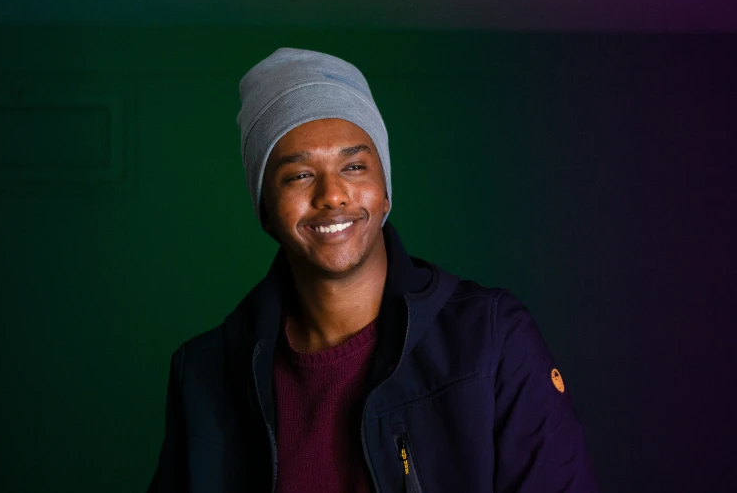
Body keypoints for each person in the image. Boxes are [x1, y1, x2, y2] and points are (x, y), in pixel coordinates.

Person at [147, 47, 599, 493]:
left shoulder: (491, 336)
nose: (333, 195)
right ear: (265, 210)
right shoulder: (207, 372)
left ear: (385, 192)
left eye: (355, 166)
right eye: (299, 175)